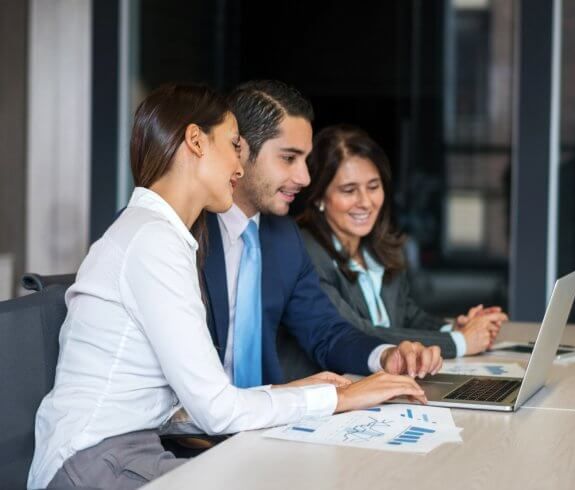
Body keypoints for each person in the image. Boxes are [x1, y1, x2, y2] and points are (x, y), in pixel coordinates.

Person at [29, 85, 433, 490]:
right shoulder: (153, 241)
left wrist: (291, 391)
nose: (238, 165)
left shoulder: (164, 235)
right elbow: (215, 411)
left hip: (137, 449)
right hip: (98, 460)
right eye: (233, 144)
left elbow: (169, 396)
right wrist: (337, 398)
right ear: (195, 141)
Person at [203, 80, 444, 387]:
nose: (304, 178)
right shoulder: (188, 233)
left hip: (267, 418)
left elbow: (326, 331)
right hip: (197, 429)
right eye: (289, 158)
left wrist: (385, 355)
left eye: (305, 159)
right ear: (240, 149)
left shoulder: (283, 237)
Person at [297, 124, 508, 358]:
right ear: (318, 198)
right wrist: (459, 342)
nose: (366, 202)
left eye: (373, 187)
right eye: (349, 190)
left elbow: (408, 316)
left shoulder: (377, 248)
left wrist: (453, 328)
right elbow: (354, 332)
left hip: (395, 380)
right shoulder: (305, 253)